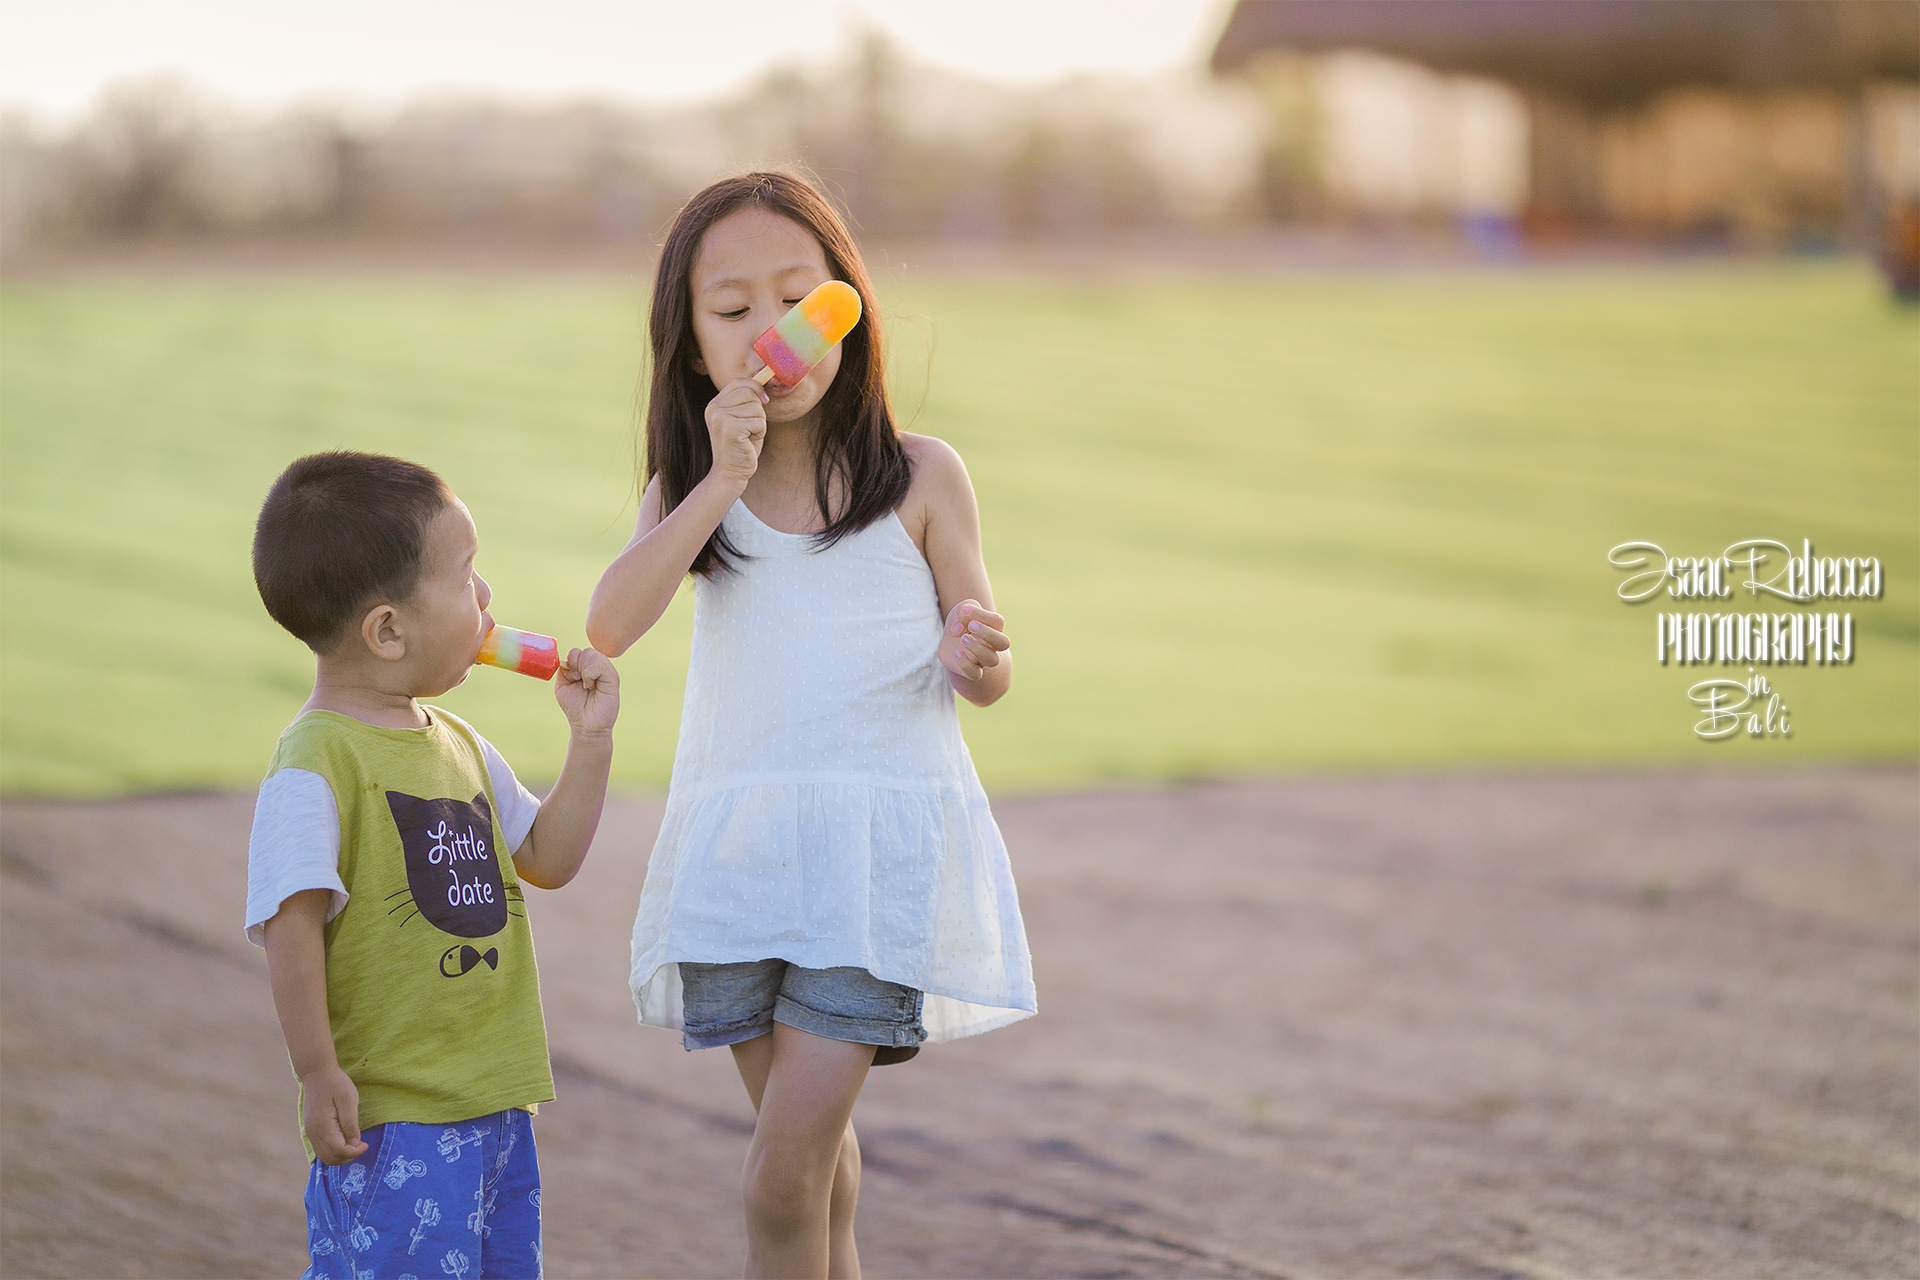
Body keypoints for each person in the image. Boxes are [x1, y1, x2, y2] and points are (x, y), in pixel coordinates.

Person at [586, 171, 1035, 1278]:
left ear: (848, 307)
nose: (768, 332)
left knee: (781, 1170)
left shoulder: (922, 474)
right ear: (692, 346)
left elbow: (983, 665)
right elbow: (610, 622)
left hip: (874, 858)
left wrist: (977, 653)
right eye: (731, 310)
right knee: (813, 1161)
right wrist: (716, 477)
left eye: (797, 300)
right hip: (737, 856)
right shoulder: (693, 488)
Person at [245, 451, 619, 1278]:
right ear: (387, 630)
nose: (487, 598)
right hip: (395, 1122)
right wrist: (317, 1070)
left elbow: (548, 859)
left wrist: (589, 742)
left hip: (494, 1104)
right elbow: (290, 923)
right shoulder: (317, 764)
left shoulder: (457, 744)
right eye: (465, 577)